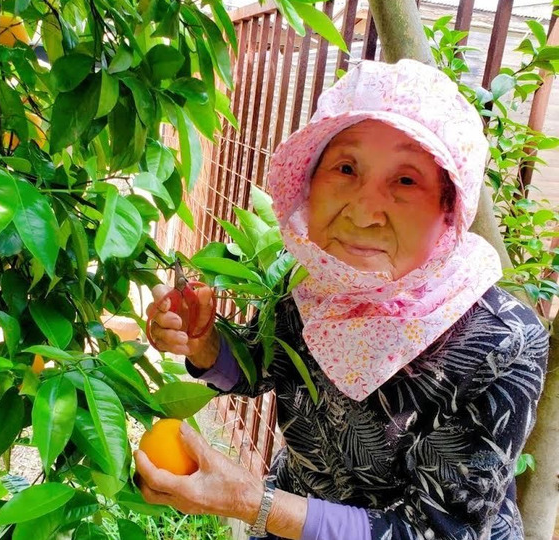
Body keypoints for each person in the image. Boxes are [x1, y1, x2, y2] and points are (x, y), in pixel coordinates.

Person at [133, 59, 549, 540]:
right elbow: (265, 364)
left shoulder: (502, 340)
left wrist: (251, 501)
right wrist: (205, 344)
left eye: (406, 180)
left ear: (449, 206)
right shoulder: (318, 280)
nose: (364, 211)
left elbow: (441, 530)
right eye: (346, 168)